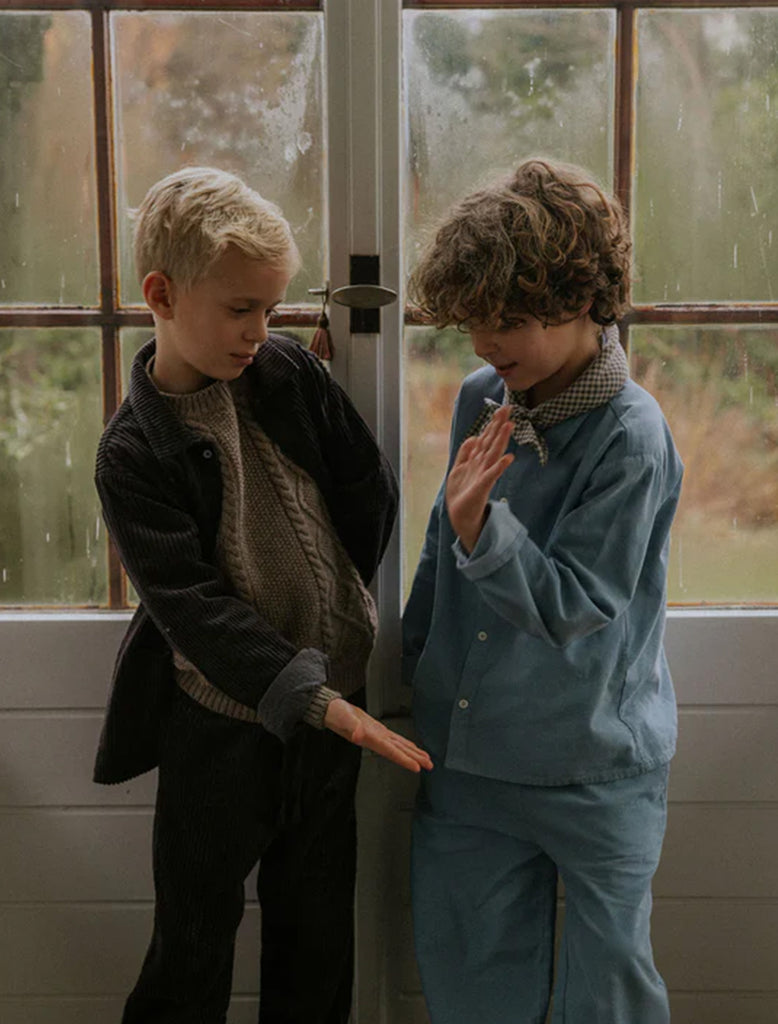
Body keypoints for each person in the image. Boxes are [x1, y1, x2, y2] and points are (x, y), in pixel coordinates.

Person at [93, 165, 432, 1024]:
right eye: (240, 309)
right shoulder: (134, 454)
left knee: (316, 943)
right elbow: (193, 606)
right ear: (162, 295)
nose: (259, 330)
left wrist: (335, 616)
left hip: (332, 722)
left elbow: (367, 489)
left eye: (272, 309)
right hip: (221, 729)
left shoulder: (286, 373)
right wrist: (301, 690)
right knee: (193, 940)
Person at [402, 157, 683, 1024]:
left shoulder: (632, 437)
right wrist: (414, 672)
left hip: (594, 768)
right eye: (473, 326)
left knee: (611, 997)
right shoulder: (485, 394)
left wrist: (482, 529)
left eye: (510, 321)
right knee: (471, 983)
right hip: (471, 764)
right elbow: (440, 553)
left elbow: (576, 602)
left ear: (586, 302)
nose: (487, 345)